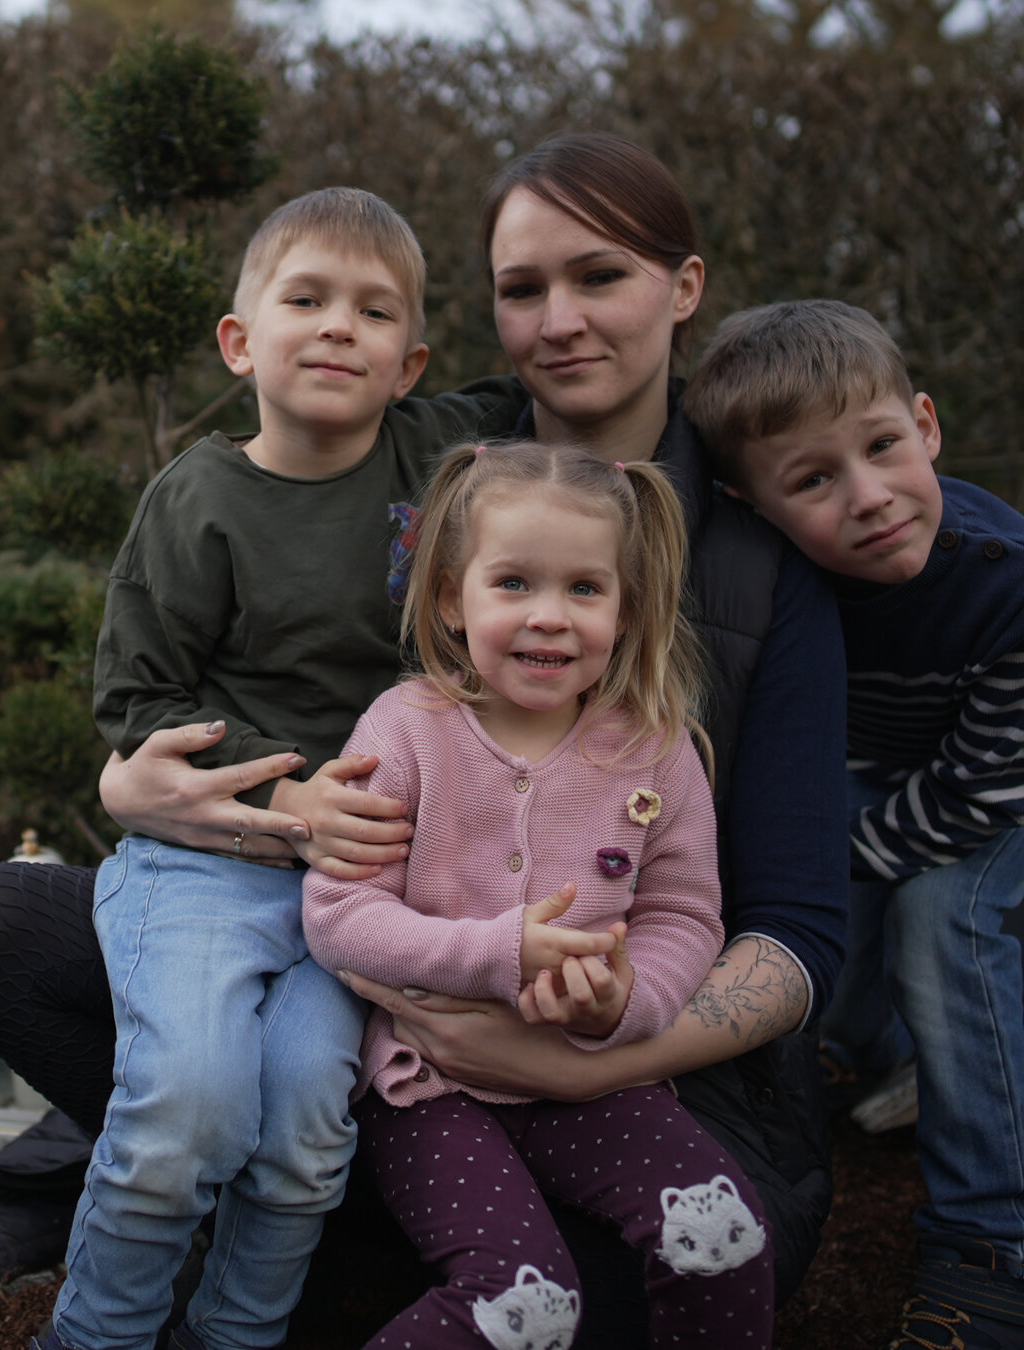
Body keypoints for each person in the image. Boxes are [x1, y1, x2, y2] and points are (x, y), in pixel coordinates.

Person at [0, 133, 849, 1345]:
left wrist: (593, 1054)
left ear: (681, 290)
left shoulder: (753, 554)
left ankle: (329, 1250)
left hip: (611, 1045)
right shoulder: (435, 452)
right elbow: (195, 651)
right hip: (362, 960)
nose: (559, 320)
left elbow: (794, 929)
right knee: (0, 928)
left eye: (600, 278)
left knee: (678, 1261)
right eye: (521, 290)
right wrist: (149, 785)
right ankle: (257, 1205)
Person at [45, 186, 522, 1350]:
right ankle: (93, 1336)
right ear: (239, 340)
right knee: (186, 1114)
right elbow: (136, 701)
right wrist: (278, 798)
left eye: (371, 313)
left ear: (407, 364)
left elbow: (562, 388)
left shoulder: (434, 456)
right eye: (303, 299)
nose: (335, 328)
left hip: (354, 890)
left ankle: (236, 1337)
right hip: (210, 862)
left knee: (308, 1128)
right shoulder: (198, 500)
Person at [683, 298, 1024, 1348]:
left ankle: (990, 1242)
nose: (868, 499)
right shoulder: (778, 577)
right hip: (896, 745)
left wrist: (821, 861)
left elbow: (976, 797)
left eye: (883, 448)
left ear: (925, 426)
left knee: (939, 911)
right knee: (803, 883)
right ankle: (870, 1043)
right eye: (810, 480)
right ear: (748, 506)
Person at [304, 440, 773, 1348]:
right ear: (451, 597)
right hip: (429, 1087)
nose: (549, 618)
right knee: (526, 1305)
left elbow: (684, 915)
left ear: (627, 606)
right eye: (513, 583)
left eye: (585, 590)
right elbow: (337, 914)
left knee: (723, 1239)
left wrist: (622, 1003)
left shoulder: (657, 747)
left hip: (590, 1083)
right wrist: (496, 950)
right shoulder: (406, 731)